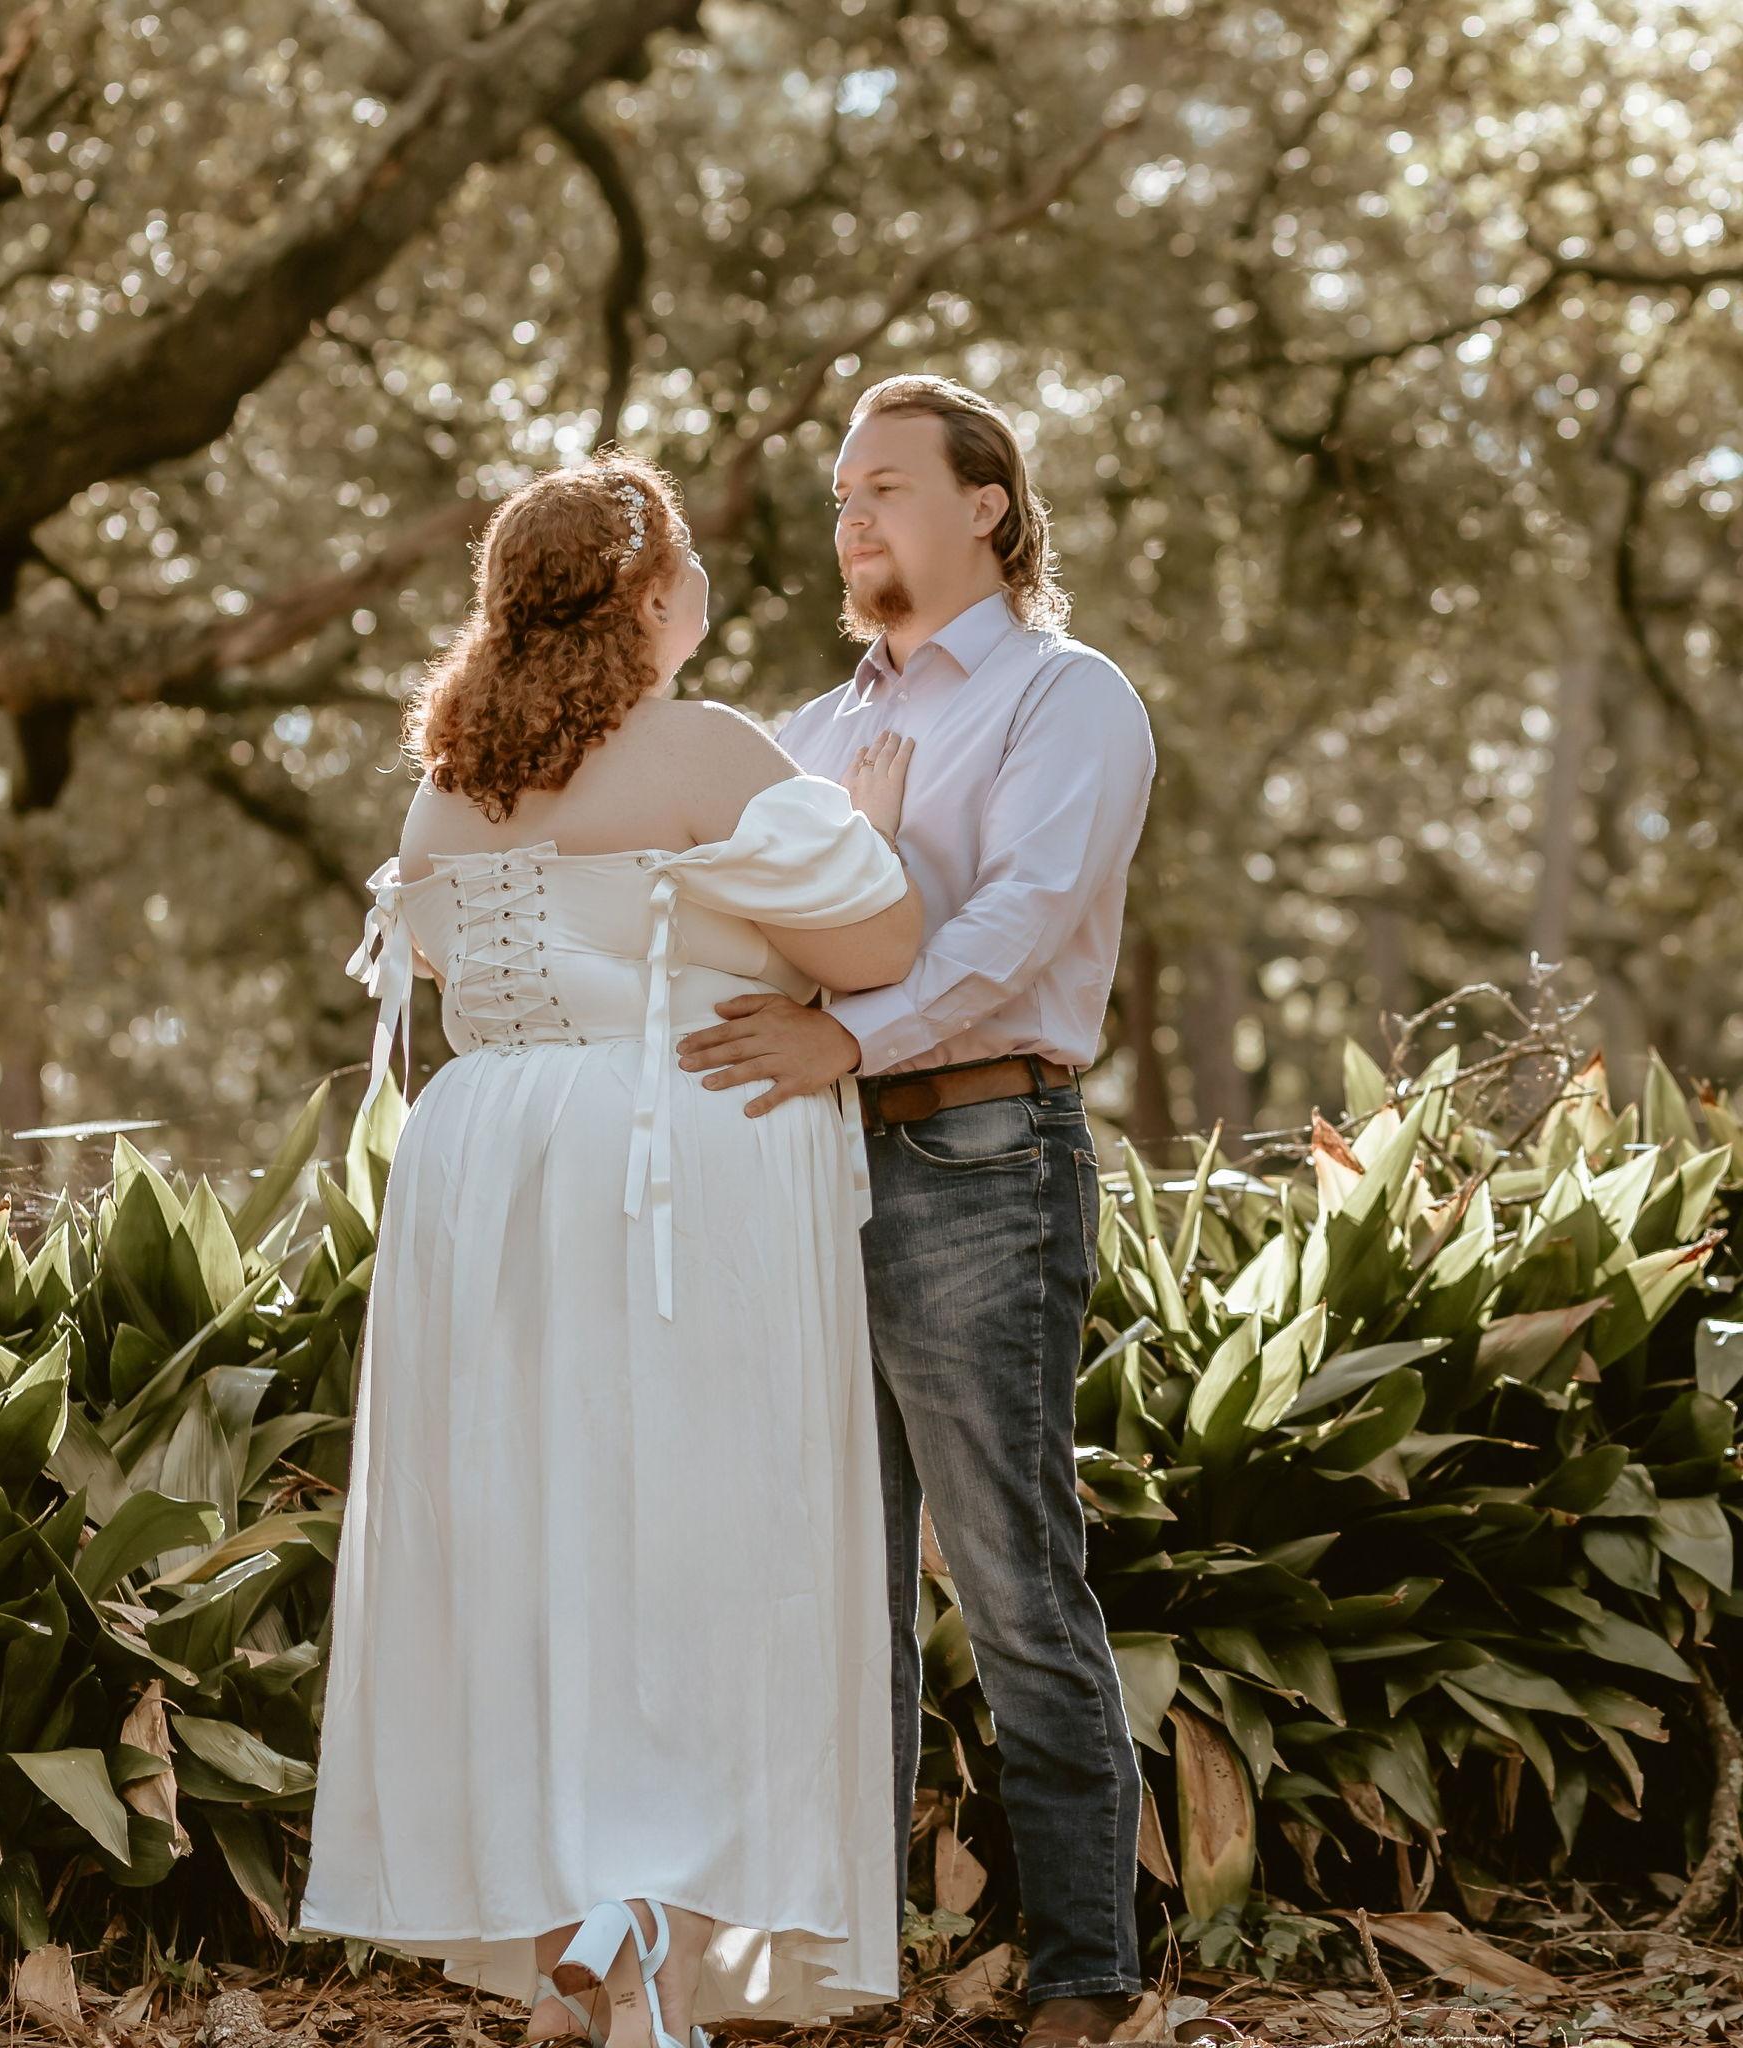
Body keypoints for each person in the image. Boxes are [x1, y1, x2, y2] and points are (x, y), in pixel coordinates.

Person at [298, 454, 926, 2048]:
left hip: (487, 1171)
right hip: (673, 1159)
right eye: (689, 556)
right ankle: (658, 1904)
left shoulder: (449, 781)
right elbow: (880, 942)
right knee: (714, 1535)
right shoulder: (704, 746)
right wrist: (869, 831)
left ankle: (599, 1943)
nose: (704, 578)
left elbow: (448, 972)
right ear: (649, 595)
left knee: (536, 1546)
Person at [678, 376, 1233, 2048]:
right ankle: (843, 1966)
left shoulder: (1071, 699)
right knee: (833, 1594)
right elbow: (748, 938)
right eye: (842, 495)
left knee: (1012, 1579)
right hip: (806, 1165)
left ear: (988, 504)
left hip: (985, 1157)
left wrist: (852, 1026)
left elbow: (1020, 923)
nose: (853, 518)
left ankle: (1083, 1973)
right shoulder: (803, 732)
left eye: (889, 487)